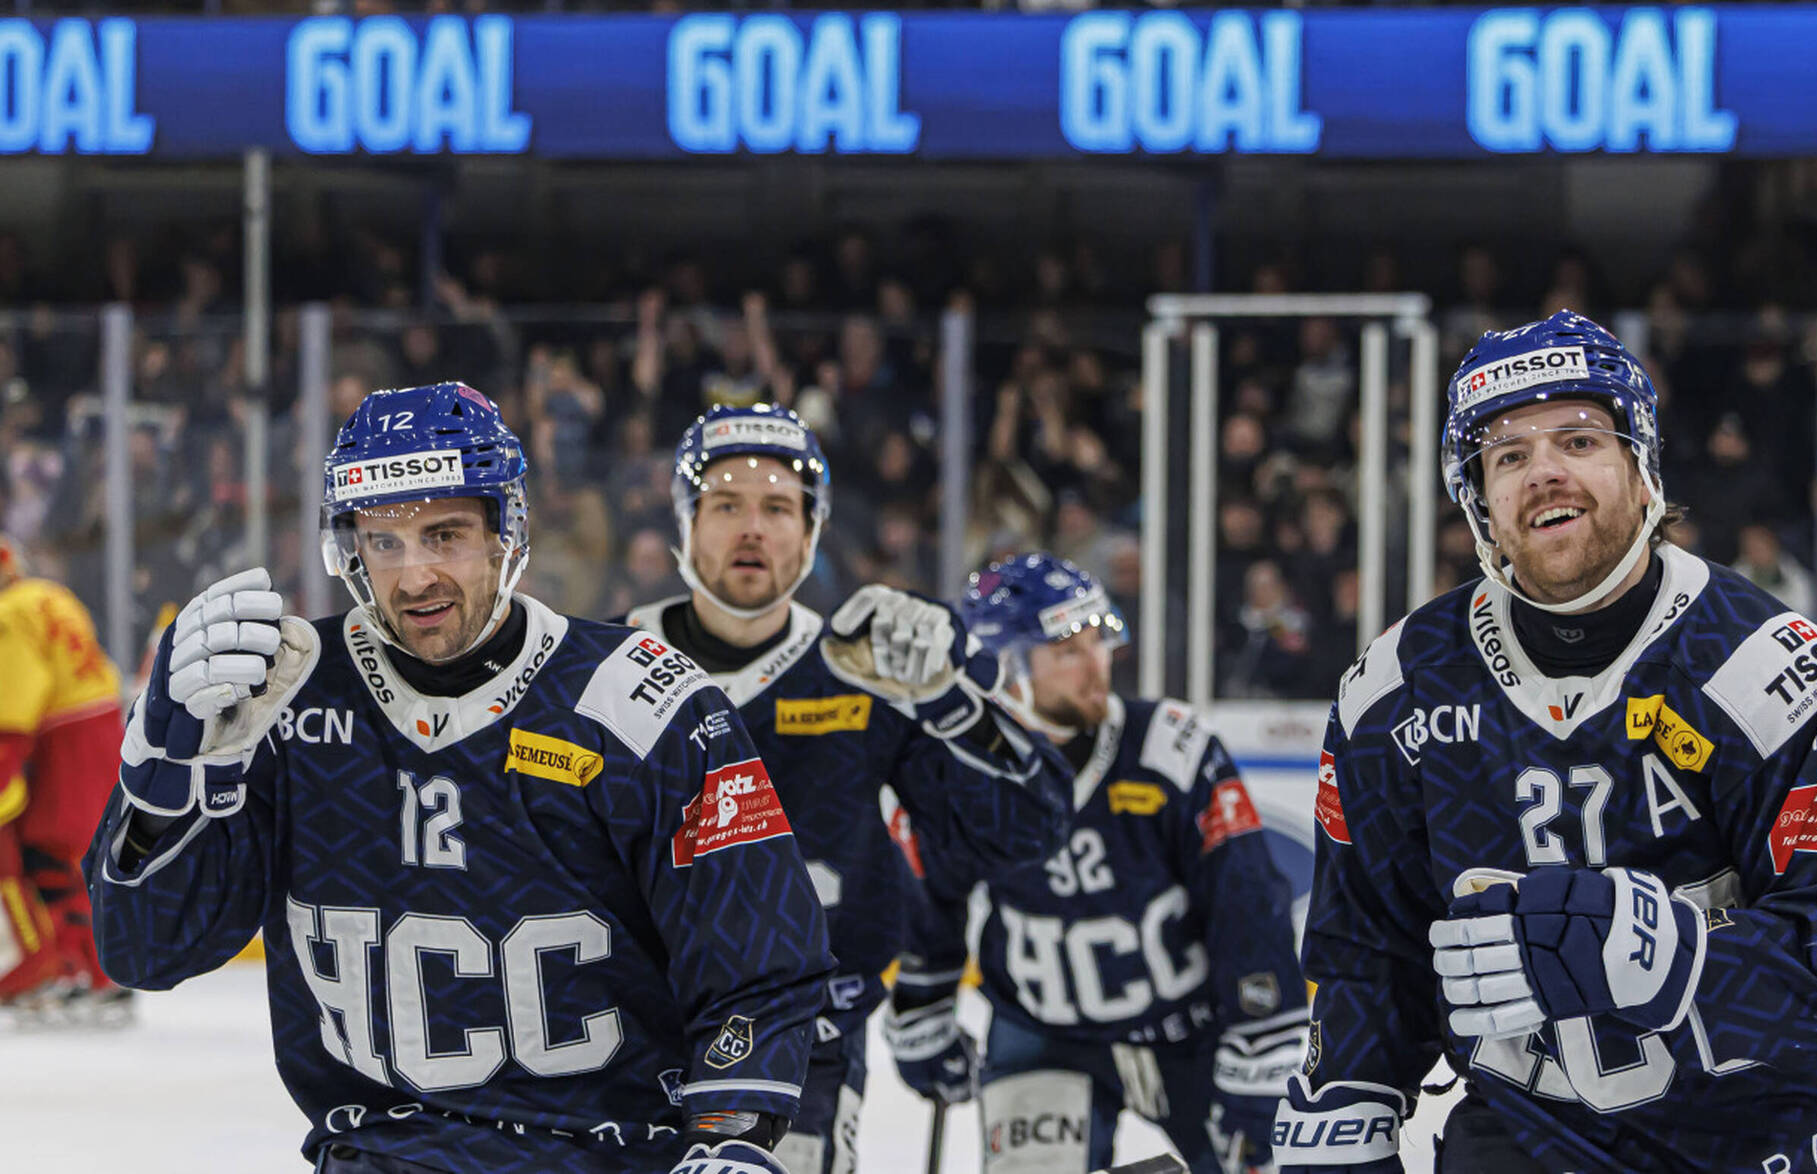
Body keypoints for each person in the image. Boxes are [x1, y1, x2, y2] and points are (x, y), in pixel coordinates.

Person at [84, 383, 834, 1174]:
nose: (414, 579)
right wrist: (165, 783)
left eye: (445, 535)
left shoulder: (641, 701)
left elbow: (760, 954)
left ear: (506, 532)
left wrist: (730, 1139)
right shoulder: (286, 699)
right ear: (349, 548)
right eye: (385, 542)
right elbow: (144, 955)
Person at [1276, 311, 1817, 1173]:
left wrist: (1671, 963)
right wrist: (1344, 1109)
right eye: (1509, 455)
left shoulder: (1777, 676)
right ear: (1479, 502)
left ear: (1641, 471)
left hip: (1754, 1145)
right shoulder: (1396, 692)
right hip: (1524, 1141)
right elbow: (1370, 948)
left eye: (1577, 438)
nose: (1544, 472)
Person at [625, 402, 1072, 1174]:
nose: (752, 528)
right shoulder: (604, 666)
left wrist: (948, 700)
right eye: (726, 504)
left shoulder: (869, 675)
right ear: (686, 523)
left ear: (812, 531)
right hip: (617, 1050)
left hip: (807, 1059)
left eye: (777, 508)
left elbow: (1029, 830)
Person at [893, 554, 1308, 1174]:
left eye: (1099, 641)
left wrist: (1262, 1045)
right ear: (1005, 668)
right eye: (1067, 651)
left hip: (1190, 1033)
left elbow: (1247, 906)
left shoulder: (1169, 748)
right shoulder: (956, 773)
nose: (1097, 667)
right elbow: (932, 901)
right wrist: (923, 1007)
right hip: (1045, 1036)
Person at [0, 534, 128, 1022]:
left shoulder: (11, 612)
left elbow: (16, 700)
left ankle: (83, 971)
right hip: (100, 725)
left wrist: (7, 758)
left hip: (63, 735)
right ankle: (92, 970)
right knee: (75, 852)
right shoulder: (51, 594)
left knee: (52, 852)